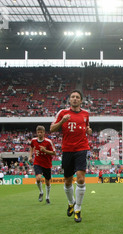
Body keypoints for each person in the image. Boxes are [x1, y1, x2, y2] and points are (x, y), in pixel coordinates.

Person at [50, 90, 92, 223]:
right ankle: (71, 203)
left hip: (81, 148)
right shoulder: (62, 113)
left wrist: (89, 130)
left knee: (80, 179)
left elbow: (87, 128)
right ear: (69, 100)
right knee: (67, 181)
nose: (75, 99)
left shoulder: (86, 114)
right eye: (73, 97)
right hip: (67, 150)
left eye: (77, 97)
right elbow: (52, 129)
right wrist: (62, 121)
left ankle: (78, 209)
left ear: (81, 100)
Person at [29, 125, 57, 204]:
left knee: (47, 182)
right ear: (36, 133)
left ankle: (47, 197)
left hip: (47, 164)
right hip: (37, 162)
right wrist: (30, 156)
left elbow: (54, 153)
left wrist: (45, 151)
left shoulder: (48, 142)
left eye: (41, 132)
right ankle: (41, 192)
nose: (40, 134)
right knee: (38, 178)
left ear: (44, 133)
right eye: (38, 132)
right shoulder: (33, 140)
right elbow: (31, 147)